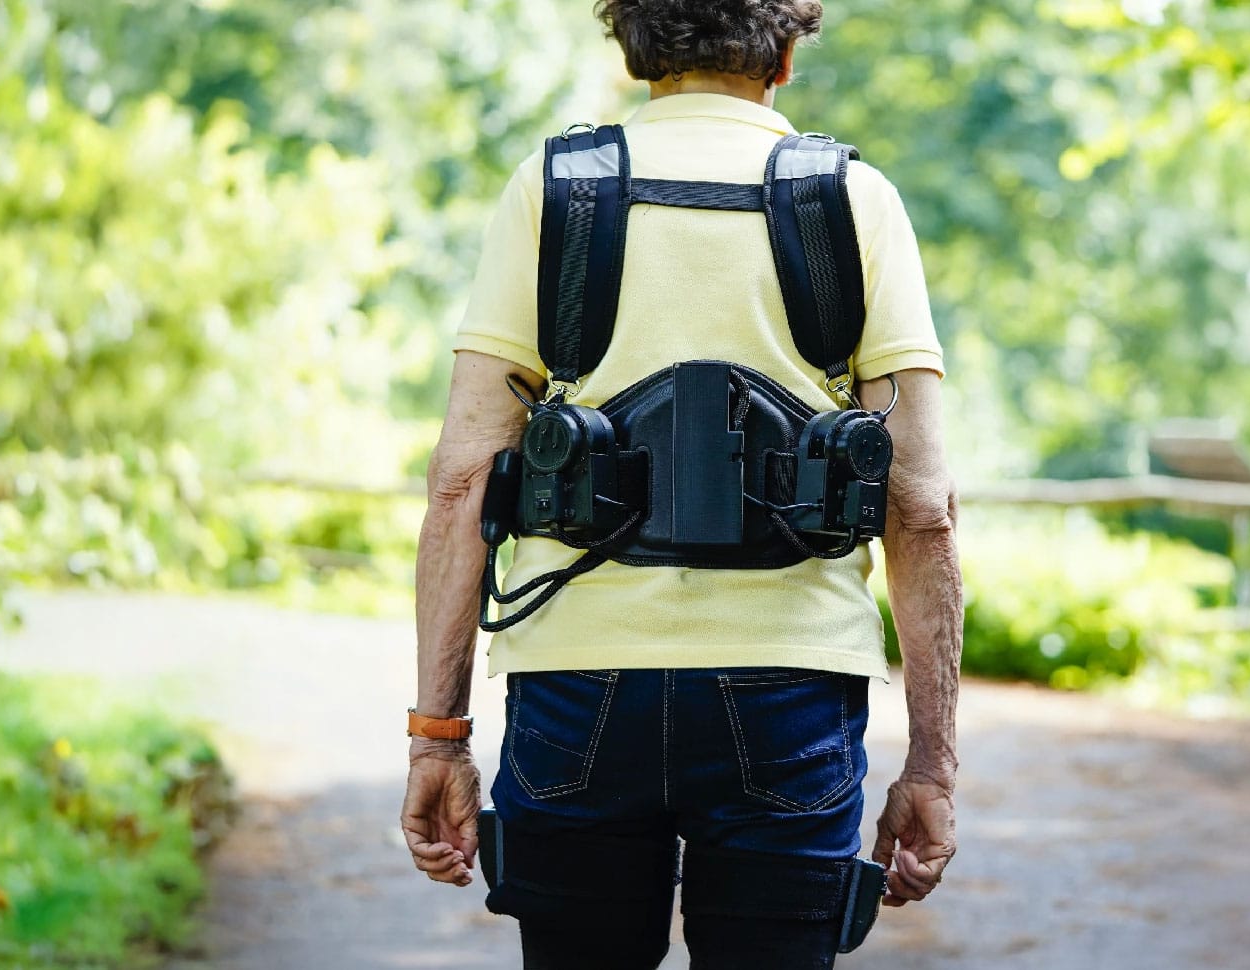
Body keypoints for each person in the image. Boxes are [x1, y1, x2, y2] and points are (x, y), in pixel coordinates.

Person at [400, 1, 962, 967]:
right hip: (789, 682)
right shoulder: (855, 200)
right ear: (786, 55)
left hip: (577, 683)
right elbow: (922, 508)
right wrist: (933, 766)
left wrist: (438, 739)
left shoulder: (557, 192)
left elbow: (461, 484)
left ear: (633, 48)